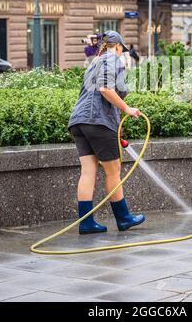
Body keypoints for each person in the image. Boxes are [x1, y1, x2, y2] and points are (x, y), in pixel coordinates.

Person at [68, 31, 145, 235]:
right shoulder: (113, 59)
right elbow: (105, 89)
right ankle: (124, 218)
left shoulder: (95, 62)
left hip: (79, 121)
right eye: (123, 50)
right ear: (118, 46)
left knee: (88, 171)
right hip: (98, 122)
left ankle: (86, 222)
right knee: (113, 171)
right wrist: (127, 109)